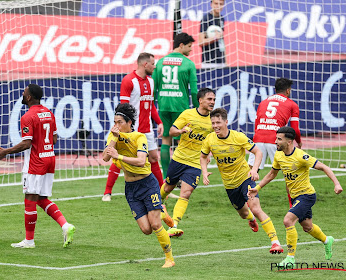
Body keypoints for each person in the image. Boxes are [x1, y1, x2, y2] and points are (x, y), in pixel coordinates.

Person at [0, 84, 75, 248]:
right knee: (41, 198)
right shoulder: (49, 113)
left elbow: (27, 143)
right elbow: (55, 140)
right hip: (49, 158)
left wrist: (5, 152)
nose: (23, 94)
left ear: (29, 97)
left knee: (29, 198)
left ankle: (29, 241)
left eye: (24, 92)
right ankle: (66, 226)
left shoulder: (28, 116)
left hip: (36, 162)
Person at [248, 126, 343, 267]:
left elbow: (324, 167)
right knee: (307, 226)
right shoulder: (279, 155)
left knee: (288, 220)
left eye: (279, 139)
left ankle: (290, 259)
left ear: (289, 141)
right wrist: (257, 188)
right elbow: (272, 174)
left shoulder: (301, 156)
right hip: (295, 197)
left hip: (307, 196)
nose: (276, 142)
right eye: (276, 138)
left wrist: (336, 184)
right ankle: (327, 240)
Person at [200, 108, 283, 254]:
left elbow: (258, 152)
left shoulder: (238, 137)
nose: (215, 126)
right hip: (229, 185)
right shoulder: (210, 139)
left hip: (245, 179)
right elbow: (202, 156)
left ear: (226, 122)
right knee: (244, 214)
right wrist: (205, 172)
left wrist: (254, 170)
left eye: (218, 122)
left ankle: (275, 242)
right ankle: (251, 219)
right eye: (213, 123)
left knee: (256, 208)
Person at [103, 103, 175, 268]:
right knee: (146, 229)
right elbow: (105, 158)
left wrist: (119, 157)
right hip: (131, 188)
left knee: (155, 224)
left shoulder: (139, 137)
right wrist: (113, 140)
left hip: (147, 183)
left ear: (129, 123)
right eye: (114, 122)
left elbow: (142, 161)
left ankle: (169, 259)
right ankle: (162, 211)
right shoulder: (113, 135)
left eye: (120, 122)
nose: (116, 125)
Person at [102, 53, 165, 202]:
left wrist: (159, 122)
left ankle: (163, 192)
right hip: (131, 130)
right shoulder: (128, 80)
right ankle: (107, 192)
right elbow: (123, 108)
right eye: (153, 64)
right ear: (145, 64)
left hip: (147, 128)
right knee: (119, 158)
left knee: (154, 158)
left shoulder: (151, 81)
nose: (154, 67)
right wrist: (119, 124)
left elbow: (151, 106)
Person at [159, 88, 216, 237]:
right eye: (209, 99)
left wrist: (208, 153)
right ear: (200, 100)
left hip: (196, 163)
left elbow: (212, 139)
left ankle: (174, 225)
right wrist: (181, 131)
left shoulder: (213, 120)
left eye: (214, 100)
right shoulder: (187, 114)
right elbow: (171, 131)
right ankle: (158, 205)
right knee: (168, 188)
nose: (212, 102)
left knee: (186, 192)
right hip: (179, 159)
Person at [248, 78, 302, 207]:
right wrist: (298, 142)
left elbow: (256, 124)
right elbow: (295, 129)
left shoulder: (263, 102)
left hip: (259, 138)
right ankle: (292, 205)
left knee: (250, 172)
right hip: (277, 141)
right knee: (289, 174)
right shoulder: (292, 104)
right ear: (288, 91)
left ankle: (247, 201)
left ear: (275, 89)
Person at [152, 32, 199, 180]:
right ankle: (182, 177)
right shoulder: (188, 64)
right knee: (182, 142)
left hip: (164, 105)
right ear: (181, 45)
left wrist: (152, 106)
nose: (191, 50)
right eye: (190, 46)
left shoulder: (160, 62)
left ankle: (167, 177)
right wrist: (198, 110)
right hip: (180, 107)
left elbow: (153, 87)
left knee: (165, 140)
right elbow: (195, 91)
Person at [198, 0, 226, 68]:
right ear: (211, 4)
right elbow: (201, 42)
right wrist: (214, 38)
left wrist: (225, 61)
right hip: (209, 61)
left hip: (221, 61)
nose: (218, 6)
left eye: (221, 4)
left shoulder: (221, 18)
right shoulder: (206, 19)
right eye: (216, 3)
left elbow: (221, 40)